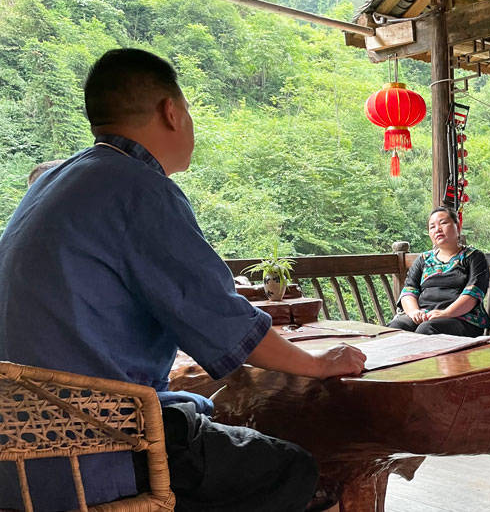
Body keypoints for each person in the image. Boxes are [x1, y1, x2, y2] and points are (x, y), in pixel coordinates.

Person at [0, 49, 366, 512]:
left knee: (212, 431)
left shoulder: (53, 185)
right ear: (170, 112)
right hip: (99, 449)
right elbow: (225, 325)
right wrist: (318, 363)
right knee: (292, 470)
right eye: (187, 110)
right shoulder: (138, 189)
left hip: (21, 456)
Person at [388, 207, 490, 337]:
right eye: (432, 227)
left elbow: (473, 294)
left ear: (457, 227)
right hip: (425, 314)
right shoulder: (423, 259)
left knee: (427, 330)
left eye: (443, 223)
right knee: (396, 328)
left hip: (462, 317)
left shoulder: (473, 257)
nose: (437, 229)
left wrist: (446, 313)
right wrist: (414, 312)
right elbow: (409, 291)